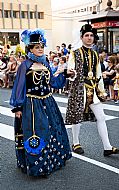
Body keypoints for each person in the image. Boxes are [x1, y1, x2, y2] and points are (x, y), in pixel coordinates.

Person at [10, 28, 72, 177]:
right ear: (30, 48)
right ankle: (38, 166)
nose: (40, 49)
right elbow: (19, 87)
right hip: (32, 105)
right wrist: (18, 107)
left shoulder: (45, 63)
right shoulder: (24, 65)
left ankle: (52, 160)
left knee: (52, 130)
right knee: (37, 132)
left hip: (48, 102)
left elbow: (53, 83)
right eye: (36, 47)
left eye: (42, 46)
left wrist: (64, 74)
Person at [65, 24, 119, 157]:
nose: (89, 38)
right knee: (77, 118)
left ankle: (107, 147)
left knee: (101, 117)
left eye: (91, 35)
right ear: (82, 37)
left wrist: (102, 91)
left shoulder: (95, 54)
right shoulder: (75, 52)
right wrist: (70, 74)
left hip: (93, 90)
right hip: (79, 89)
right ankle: (76, 142)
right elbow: (71, 69)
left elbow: (98, 74)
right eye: (86, 35)